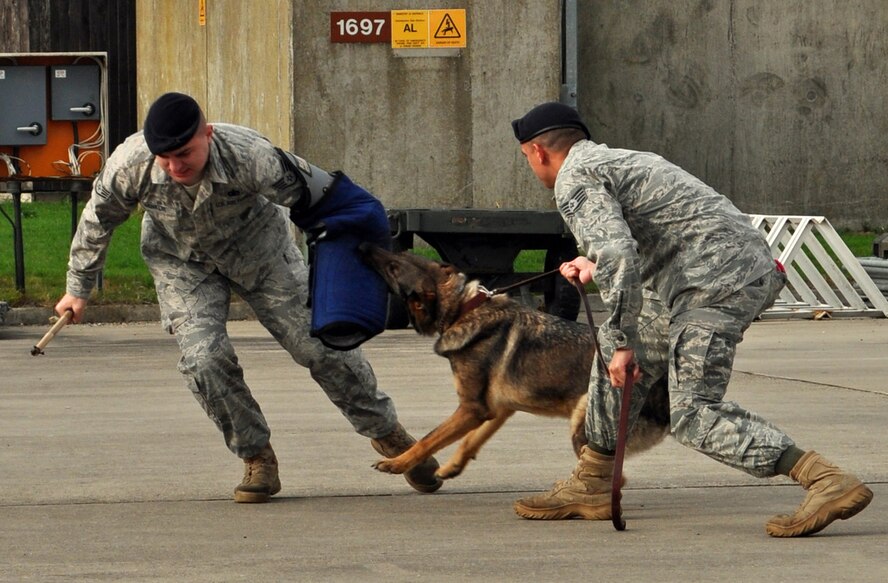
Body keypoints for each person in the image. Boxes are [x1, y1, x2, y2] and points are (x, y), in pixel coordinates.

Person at [54, 92, 442, 503]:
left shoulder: (250, 155)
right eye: (164, 158)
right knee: (204, 360)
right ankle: (257, 457)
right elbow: (99, 219)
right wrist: (77, 288)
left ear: (208, 133)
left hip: (262, 256)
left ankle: (391, 436)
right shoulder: (130, 164)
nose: (174, 166)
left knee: (322, 348)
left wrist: (352, 269)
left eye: (184, 153)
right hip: (182, 264)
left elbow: (327, 202)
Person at [508, 101, 873, 537]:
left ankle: (823, 478)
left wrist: (624, 336)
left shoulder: (573, 180)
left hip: (715, 285)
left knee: (692, 412)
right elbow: (646, 233)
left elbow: (619, 254)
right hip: (720, 272)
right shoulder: (614, 160)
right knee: (612, 345)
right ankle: (594, 479)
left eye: (527, 158)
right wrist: (594, 267)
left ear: (537, 152)